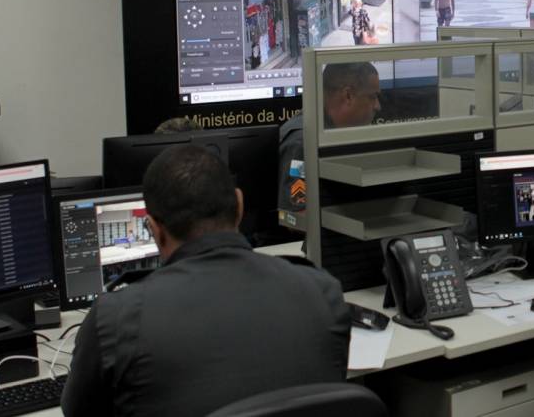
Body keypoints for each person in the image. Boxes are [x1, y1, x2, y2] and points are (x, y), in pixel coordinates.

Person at [63, 145, 351, 417]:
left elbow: (77, 411)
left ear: (154, 230)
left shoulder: (114, 320)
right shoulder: (323, 292)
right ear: (239, 206)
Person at [278, 62, 381, 212]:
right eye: (373, 97)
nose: (378, 106)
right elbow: (297, 216)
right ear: (348, 96)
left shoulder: (338, 133)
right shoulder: (303, 143)